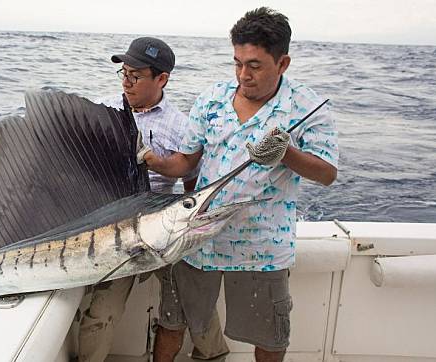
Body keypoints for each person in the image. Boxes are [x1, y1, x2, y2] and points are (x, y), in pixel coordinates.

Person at [143, 7, 339, 362]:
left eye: (255, 65)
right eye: (237, 63)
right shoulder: (213, 98)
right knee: (173, 320)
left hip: (262, 247)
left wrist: (286, 154)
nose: (243, 75)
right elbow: (186, 161)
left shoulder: (308, 107)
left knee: (270, 337)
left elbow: (326, 173)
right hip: (197, 237)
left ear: (283, 63)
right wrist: (155, 161)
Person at [77, 37, 228, 362]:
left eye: (136, 75)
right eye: (124, 73)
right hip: (113, 230)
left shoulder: (180, 125)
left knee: (194, 298)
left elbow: (191, 182)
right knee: (100, 312)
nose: (127, 82)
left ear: (162, 79)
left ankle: (215, 355)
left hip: (164, 228)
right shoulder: (103, 112)